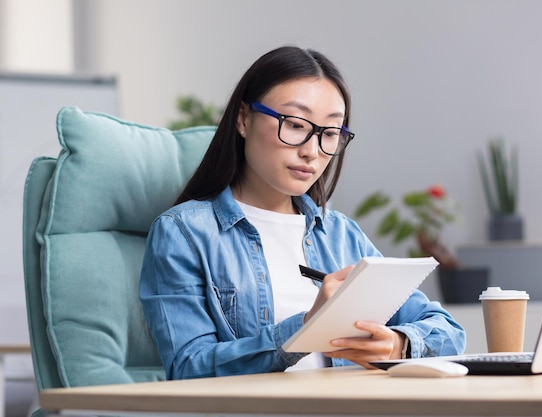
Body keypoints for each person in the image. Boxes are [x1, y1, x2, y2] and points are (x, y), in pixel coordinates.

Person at [139, 45, 466, 380]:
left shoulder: (342, 236)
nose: (312, 151)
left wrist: (398, 345)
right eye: (295, 125)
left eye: (329, 133)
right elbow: (189, 368)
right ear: (243, 119)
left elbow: (449, 331)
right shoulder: (184, 233)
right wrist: (307, 328)